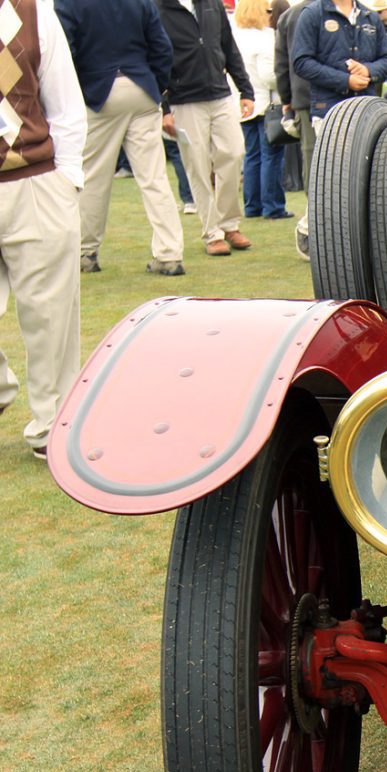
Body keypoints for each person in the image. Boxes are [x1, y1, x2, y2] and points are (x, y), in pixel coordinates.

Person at [0, 0, 85, 461]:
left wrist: (66, 179)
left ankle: (52, 425)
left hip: (34, 181)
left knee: (50, 315)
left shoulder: (33, 11)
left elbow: (65, 101)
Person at [57, 0, 185, 277]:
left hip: (98, 92)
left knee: (93, 178)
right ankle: (170, 253)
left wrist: (79, 93)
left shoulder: (69, 3)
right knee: (154, 178)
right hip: (141, 87)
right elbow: (162, 48)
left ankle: (85, 251)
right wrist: (155, 85)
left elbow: (65, 54)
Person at [157, 0, 256, 256]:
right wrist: (164, 107)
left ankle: (229, 223)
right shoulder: (157, 7)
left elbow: (228, 45)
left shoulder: (211, 3)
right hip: (183, 98)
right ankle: (212, 232)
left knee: (233, 154)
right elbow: (155, 56)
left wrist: (246, 89)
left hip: (220, 92)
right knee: (197, 166)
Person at [292, 0, 387, 128]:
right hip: (329, 113)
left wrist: (368, 70)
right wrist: (345, 81)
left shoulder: (370, 16)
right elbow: (301, 62)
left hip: (366, 112)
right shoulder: (312, 14)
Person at [233, 0, 291, 220]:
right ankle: (273, 206)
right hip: (266, 103)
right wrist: (286, 82)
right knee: (272, 156)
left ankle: (252, 205)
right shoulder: (266, 36)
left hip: (243, 103)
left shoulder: (236, 36)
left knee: (252, 155)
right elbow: (270, 76)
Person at [275, 0, 316, 172]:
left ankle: (313, 198)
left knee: (311, 154)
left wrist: (286, 99)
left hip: (304, 95)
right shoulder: (344, 10)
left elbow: (281, 64)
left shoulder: (289, 16)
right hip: (344, 93)